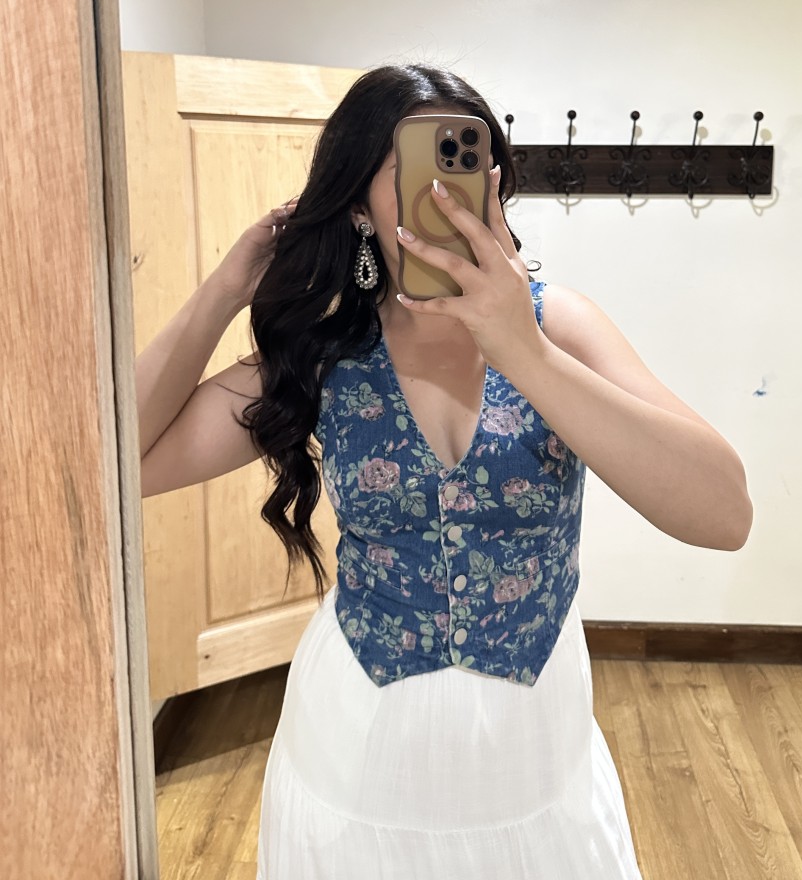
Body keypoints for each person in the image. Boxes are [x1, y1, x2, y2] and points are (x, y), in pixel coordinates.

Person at [137, 64, 752, 880]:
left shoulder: (559, 326)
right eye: (415, 172)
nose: (447, 196)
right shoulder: (327, 355)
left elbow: (725, 515)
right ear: (359, 205)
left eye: (466, 164)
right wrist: (223, 291)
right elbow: (123, 459)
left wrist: (525, 353)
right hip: (356, 750)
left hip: (535, 749)